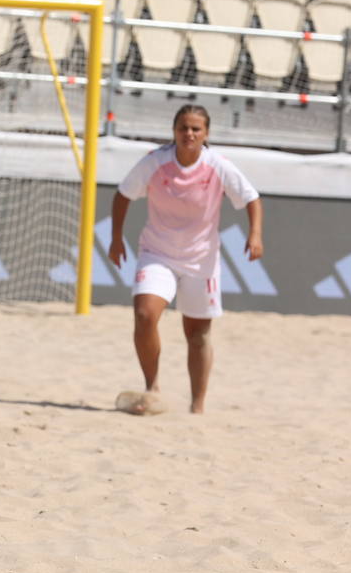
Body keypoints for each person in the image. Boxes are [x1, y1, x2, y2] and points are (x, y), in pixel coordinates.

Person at [109, 105, 263, 415]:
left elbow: (251, 198)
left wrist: (255, 235)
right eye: (183, 128)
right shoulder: (155, 162)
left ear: (206, 134)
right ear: (174, 131)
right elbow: (123, 195)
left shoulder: (217, 165)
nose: (189, 134)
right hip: (157, 252)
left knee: (197, 333)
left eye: (195, 129)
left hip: (201, 259)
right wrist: (116, 238)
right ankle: (152, 386)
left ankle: (198, 406)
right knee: (145, 315)